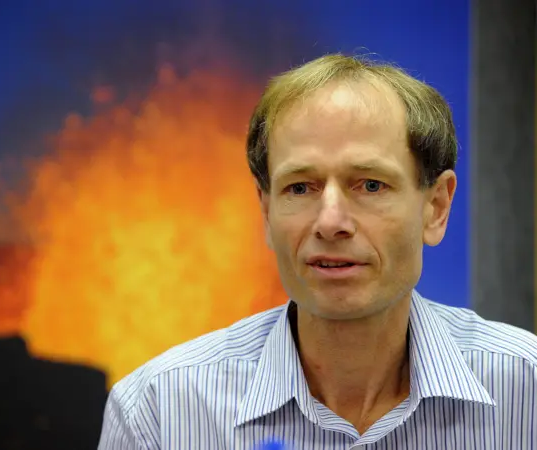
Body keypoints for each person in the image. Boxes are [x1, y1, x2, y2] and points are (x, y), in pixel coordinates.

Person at [97, 53, 537, 449]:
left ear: (436, 208)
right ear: (267, 212)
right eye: (300, 187)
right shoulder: (158, 412)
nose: (330, 222)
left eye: (369, 185)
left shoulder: (526, 390)